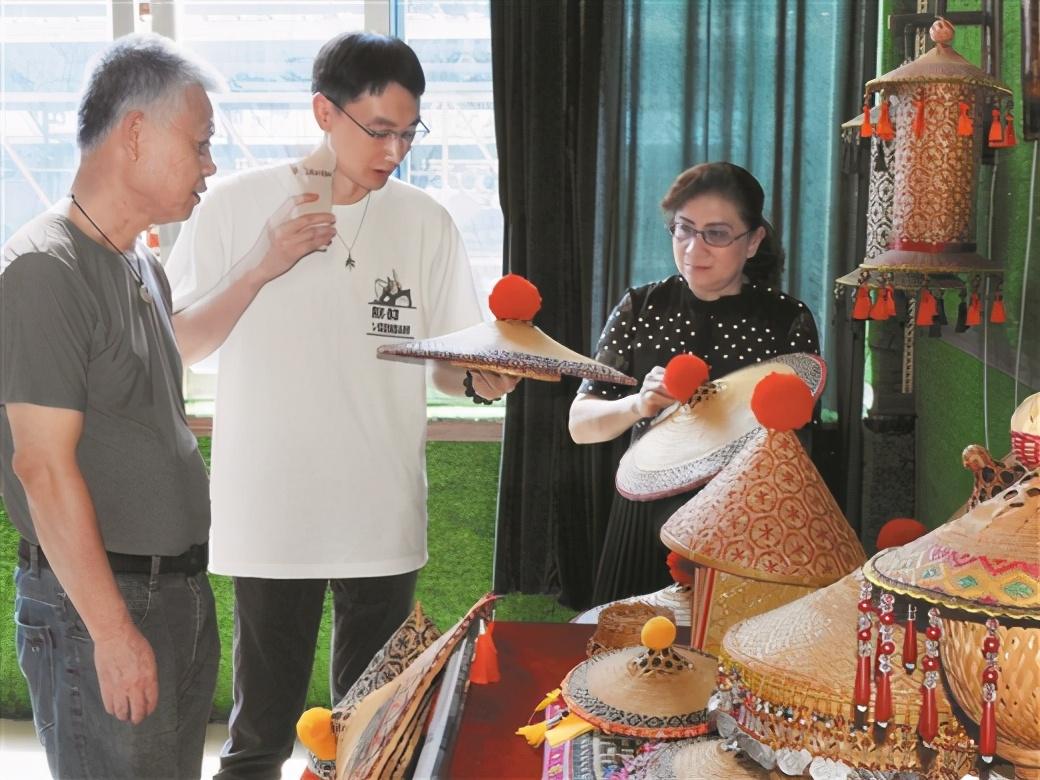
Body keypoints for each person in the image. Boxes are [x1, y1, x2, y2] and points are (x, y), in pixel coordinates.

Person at [164, 31, 516, 779]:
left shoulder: (427, 220)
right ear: (324, 111)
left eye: (409, 133)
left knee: (371, 741)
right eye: (378, 130)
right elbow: (177, 345)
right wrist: (263, 264)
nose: (394, 152)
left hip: (380, 506)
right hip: (272, 508)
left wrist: (486, 378)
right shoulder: (234, 204)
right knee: (258, 738)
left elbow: (447, 366)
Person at [0, 34, 304, 779]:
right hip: (99, 601)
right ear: (134, 133)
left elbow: (171, 348)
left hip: (173, 591)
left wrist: (261, 266)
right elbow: (41, 466)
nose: (210, 164)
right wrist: (110, 632)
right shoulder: (45, 268)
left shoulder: (137, 261)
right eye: (199, 144)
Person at [568, 162, 820, 604]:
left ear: (754, 240)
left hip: (743, 526)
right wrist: (637, 406)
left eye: (717, 234)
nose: (693, 248)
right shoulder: (640, 307)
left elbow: (796, 449)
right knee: (628, 654)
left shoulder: (787, 320)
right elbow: (580, 423)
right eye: (683, 229)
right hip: (642, 518)